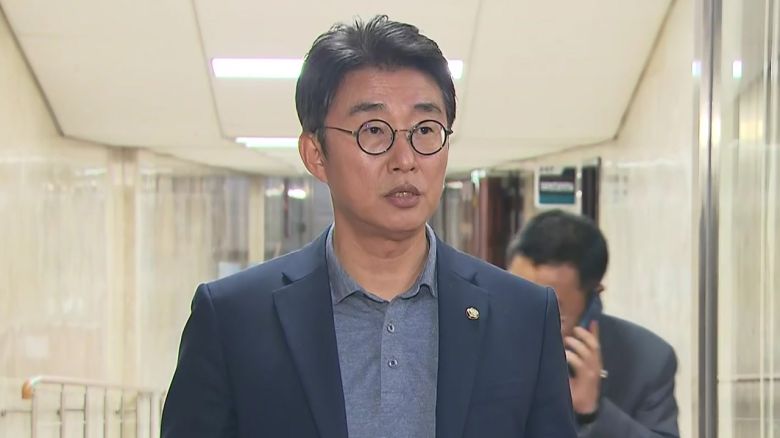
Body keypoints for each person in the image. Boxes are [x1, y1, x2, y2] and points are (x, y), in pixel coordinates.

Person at [161, 15, 576, 438]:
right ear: (315, 154)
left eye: (425, 130)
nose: (405, 159)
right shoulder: (233, 318)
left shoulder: (524, 316)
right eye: (373, 130)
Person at [507, 209, 679, 437]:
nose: (522, 320)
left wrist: (593, 413)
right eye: (513, 296)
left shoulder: (648, 361)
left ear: (592, 302)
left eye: (548, 309)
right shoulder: (474, 342)